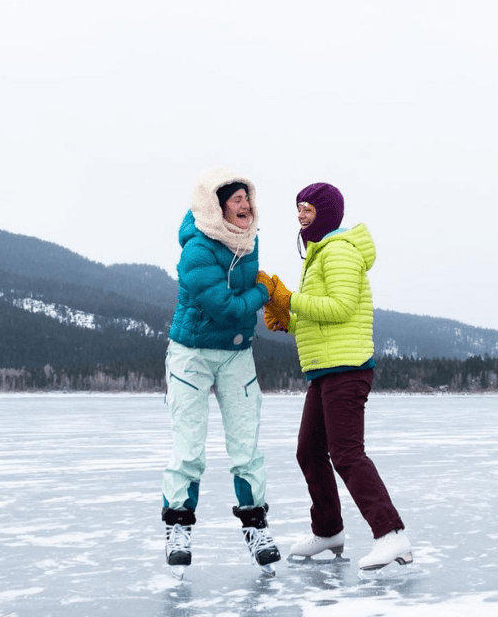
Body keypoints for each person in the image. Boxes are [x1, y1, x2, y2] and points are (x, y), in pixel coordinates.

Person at [261, 182, 412, 572]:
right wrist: (287, 321)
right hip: (326, 369)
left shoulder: (340, 250)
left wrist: (290, 299)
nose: (300, 214)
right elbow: (320, 318)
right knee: (309, 452)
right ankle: (328, 530)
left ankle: (392, 535)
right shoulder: (318, 254)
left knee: (346, 454)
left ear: (325, 212)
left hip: (347, 370)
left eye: (307, 208)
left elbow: (341, 308)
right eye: (297, 208)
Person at [161, 166, 280, 576]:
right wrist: (264, 292)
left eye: (247, 197)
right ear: (217, 208)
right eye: (236, 199)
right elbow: (225, 307)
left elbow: (236, 306)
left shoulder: (250, 240)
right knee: (189, 448)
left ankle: (256, 526)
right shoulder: (195, 249)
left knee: (247, 447)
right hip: (191, 354)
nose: (246, 205)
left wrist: (258, 292)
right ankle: (177, 526)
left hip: (236, 354)